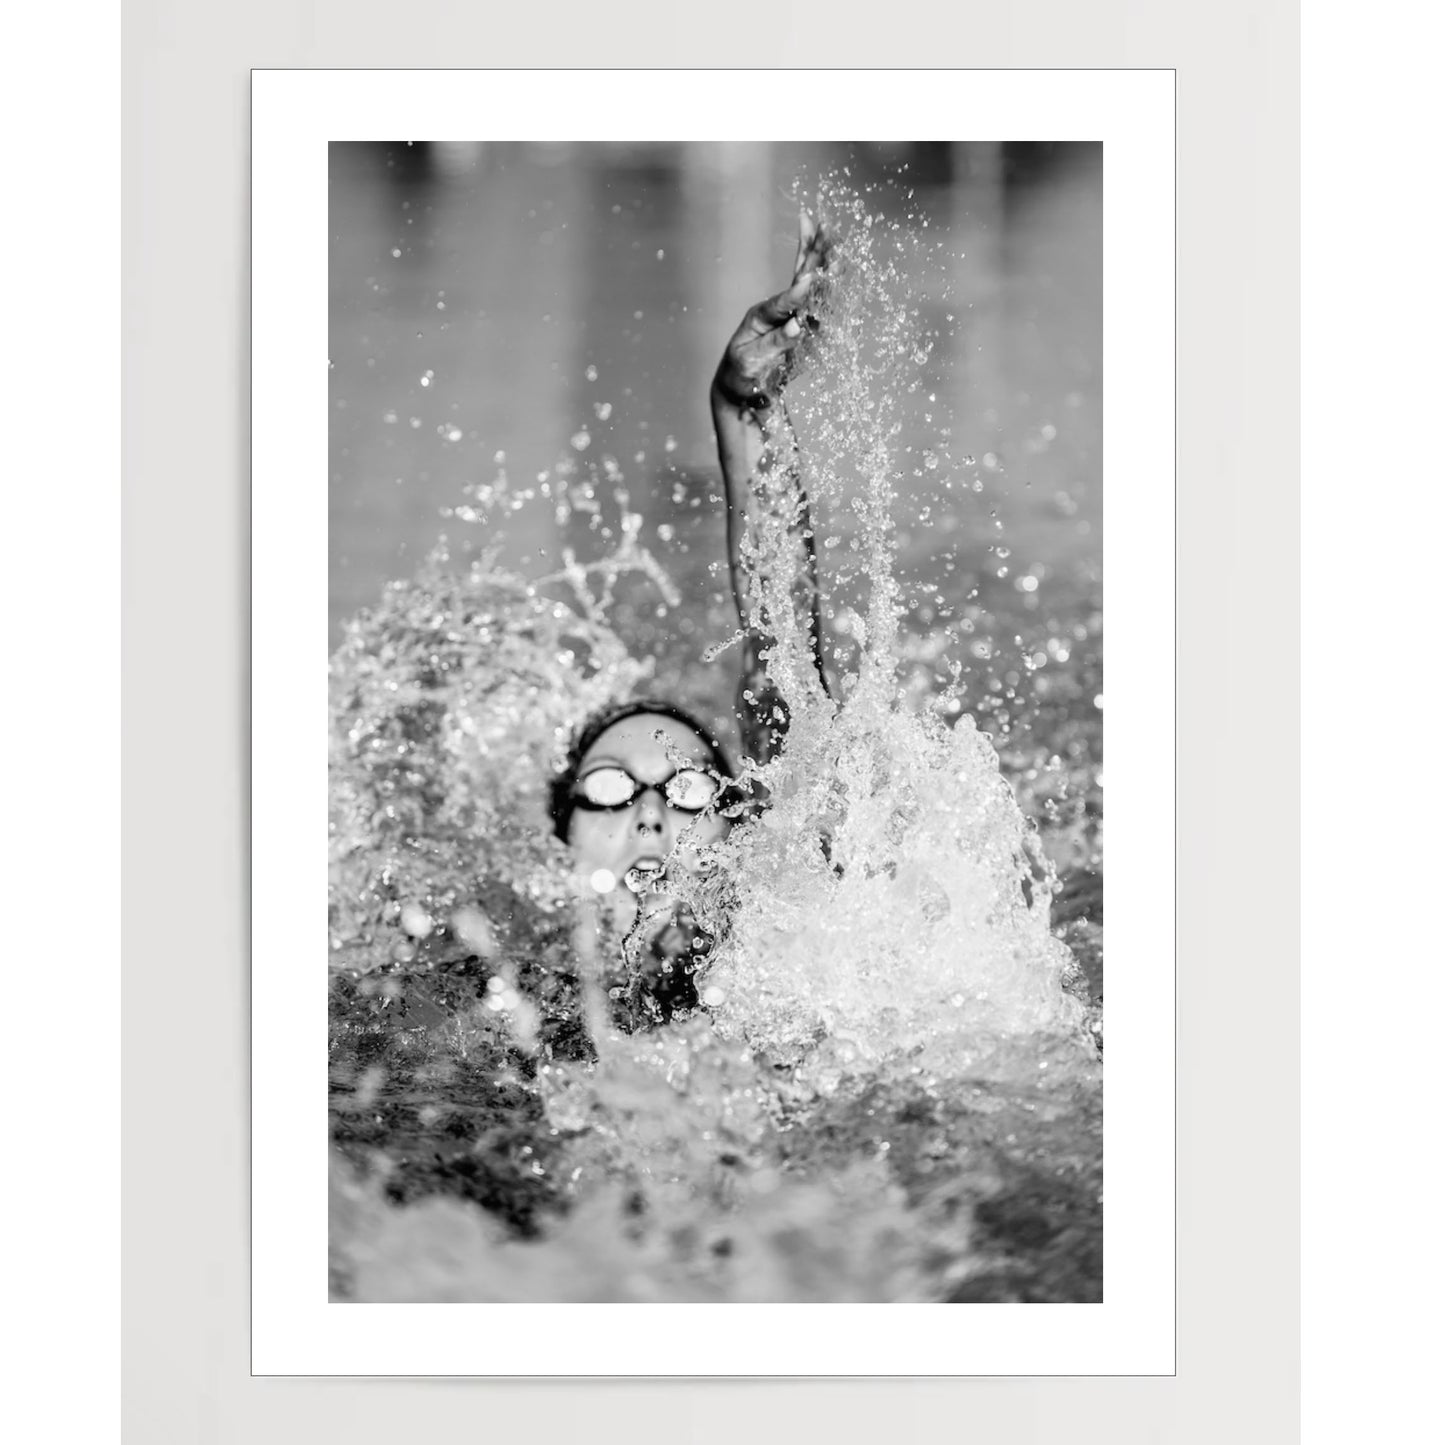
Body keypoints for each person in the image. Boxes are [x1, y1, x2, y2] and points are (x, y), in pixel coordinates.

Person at [547, 212, 837, 1016]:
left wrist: (742, 408)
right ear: (556, 847)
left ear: (738, 834)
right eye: (605, 792)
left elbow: (782, 683)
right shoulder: (487, 1007)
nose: (647, 814)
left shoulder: (789, 968)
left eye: (684, 794)